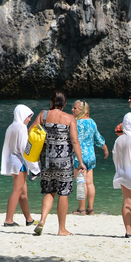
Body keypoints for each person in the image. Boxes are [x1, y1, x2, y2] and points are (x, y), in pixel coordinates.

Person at [29, 91, 86, 236]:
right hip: (64, 161)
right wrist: (80, 162)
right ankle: (62, 229)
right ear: (65, 104)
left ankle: (42, 220)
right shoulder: (69, 118)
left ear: (51, 102)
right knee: (63, 193)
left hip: (47, 160)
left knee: (49, 191)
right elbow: (74, 141)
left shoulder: (44, 115)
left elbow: (31, 131)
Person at [1, 104, 39, 227]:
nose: (29, 120)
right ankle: (8, 220)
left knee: (23, 193)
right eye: (28, 117)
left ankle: (29, 219)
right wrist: (35, 168)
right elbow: (24, 149)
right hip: (19, 162)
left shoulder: (11, 127)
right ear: (22, 115)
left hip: (12, 161)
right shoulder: (21, 127)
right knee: (17, 191)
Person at [70, 100, 109, 215]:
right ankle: (90, 209)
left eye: (75, 108)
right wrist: (105, 149)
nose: (72, 109)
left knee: (81, 182)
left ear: (82, 110)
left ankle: (81, 209)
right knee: (90, 183)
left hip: (79, 157)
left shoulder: (76, 123)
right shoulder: (92, 122)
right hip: (91, 156)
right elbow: (98, 138)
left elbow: (75, 141)